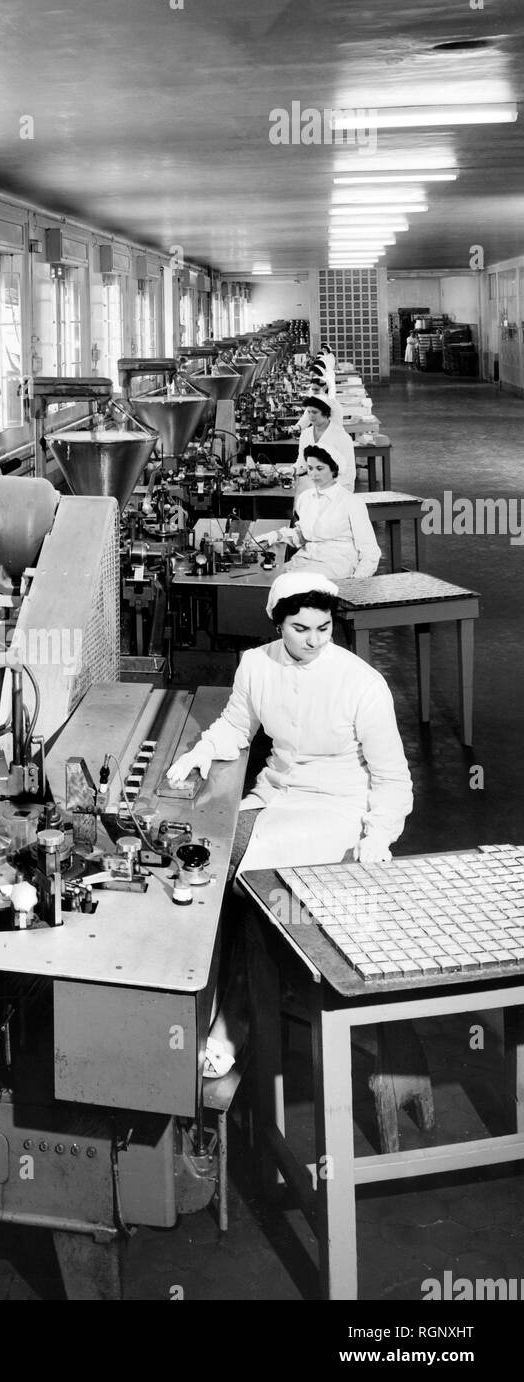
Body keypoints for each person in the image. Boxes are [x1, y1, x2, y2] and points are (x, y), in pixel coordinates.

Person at [166, 572, 413, 1075]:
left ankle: (234, 1015)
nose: (315, 640)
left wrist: (378, 836)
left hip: (337, 810)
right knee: (203, 857)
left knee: (248, 883)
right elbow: (236, 726)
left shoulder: (362, 683)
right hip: (276, 797)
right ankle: (211, 993)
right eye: (300, 628)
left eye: (324, 628)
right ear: (277, 623)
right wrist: (200, 753)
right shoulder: (257, 665)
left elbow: (392, 778)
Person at [259, 444, 380, 579]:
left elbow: (370, 551)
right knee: (273, 580)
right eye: (310, 468)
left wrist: (357, 581)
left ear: (334, 470)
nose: (313, 474)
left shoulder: (351, 502)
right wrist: (276, 535)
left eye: (319, 468)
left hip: (337, 564)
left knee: (290, 583)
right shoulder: (305, 498)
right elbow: (302, 534)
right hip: (306, 559)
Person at [294, 393, 355, 493]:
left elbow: (349, 472)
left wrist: (329, 489)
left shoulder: (341, 436)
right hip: (313, 485)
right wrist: (292, 470)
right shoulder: (306, 434)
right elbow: (302, 463)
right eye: (308, 412)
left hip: (338, 488)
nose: (310, 416)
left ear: (326, 413)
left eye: (314, 412)